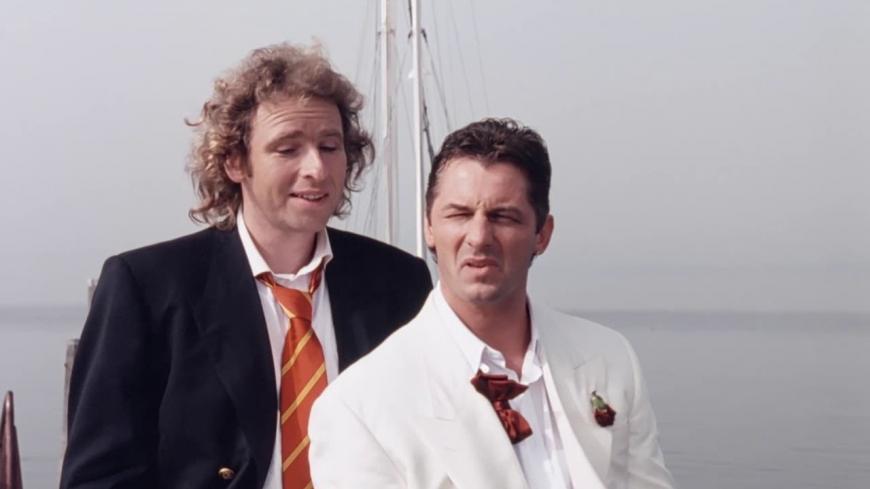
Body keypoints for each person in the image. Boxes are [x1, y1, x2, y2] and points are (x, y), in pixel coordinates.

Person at [59, 43, 432, 489]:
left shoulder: (399, 282)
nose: (316, 168)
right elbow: (99, 478)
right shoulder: (148, 288)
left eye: (330, 146)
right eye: (288, 149)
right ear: (235, 161)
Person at [308, 118, 674, 489]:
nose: (479, 237)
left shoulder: (609, 357)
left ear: (542, 234)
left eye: (503, 217)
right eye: (459, 214)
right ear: (429, 227)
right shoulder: (360, 407)